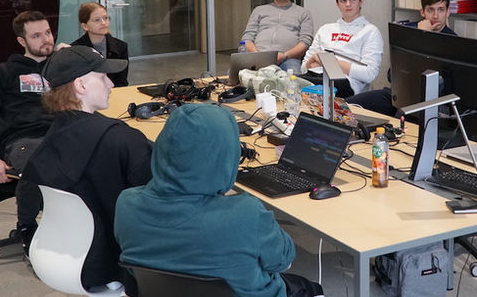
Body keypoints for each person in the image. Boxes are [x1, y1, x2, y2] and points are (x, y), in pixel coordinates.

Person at [114, 103, 323, 297]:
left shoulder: (126, 204)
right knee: (309, 287)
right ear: (226, 157)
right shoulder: (246, 213)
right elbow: (283, 261)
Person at [21, 46, 153, 292]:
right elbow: (154, 205)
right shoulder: (124, 140)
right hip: (114, 265)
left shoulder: (50, 139)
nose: (111, 84)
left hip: (64, 256)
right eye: (103, 77)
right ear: (81, 85)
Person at [0, 10, 61, 253]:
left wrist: (71, 56)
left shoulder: (61, 68)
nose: (46, 39)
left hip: (62, 134)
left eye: (48, 32)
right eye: (36, 36)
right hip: (24, 141)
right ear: (22, 41)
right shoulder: (3, 72)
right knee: (37, 161)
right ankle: (26, 226)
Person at [346, 0, 455, 116]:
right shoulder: (409, 32)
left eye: (441, 10)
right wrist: (420, 35)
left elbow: (444, 87)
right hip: (397, 94)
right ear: (422, 12)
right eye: (430, 10)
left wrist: (424, 38)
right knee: (348, 106)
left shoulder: (452, 42)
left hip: (427, 101)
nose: (436, 15)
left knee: (400, 119)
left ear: (448, 12)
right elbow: (392, 76)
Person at [301, 0, 383, 97]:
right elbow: (304, 67)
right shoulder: (325, 29)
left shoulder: (370, 31)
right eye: (343, 0)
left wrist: (324, 61)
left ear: (360, 1)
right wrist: (315, 58)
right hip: (314, 76)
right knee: (289, 80)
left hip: (344, 82)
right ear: (337, 4)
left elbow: (369, 74)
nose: (348, 4)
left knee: (294, 84)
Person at [240, 0, 314, 72]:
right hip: (257, 56)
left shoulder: (303, 13)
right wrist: (257, 55)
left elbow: (305, 43)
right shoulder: (259, 10)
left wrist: (285, 55)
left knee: (295, 73)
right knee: (234, 74)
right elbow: (247, 38)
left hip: (288, 59)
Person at [71, 2, 129, 87]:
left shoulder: (120, 46)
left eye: (105, 18)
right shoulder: (74, 50)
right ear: (85, 26)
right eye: (97, 20)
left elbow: (121, 83)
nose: (103, 22)